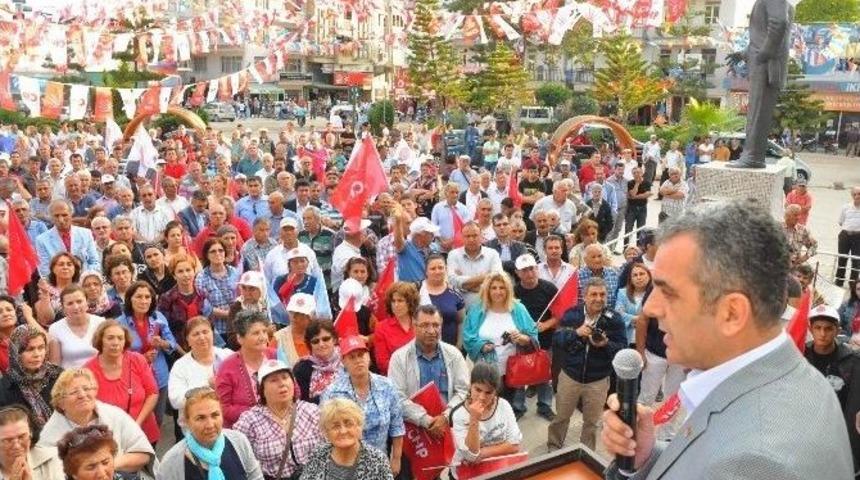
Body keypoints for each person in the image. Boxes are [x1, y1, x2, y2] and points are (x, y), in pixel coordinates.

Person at [602, 200, 853, 479]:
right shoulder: (796, 377)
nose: (650, 308)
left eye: (668, 292)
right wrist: (648, 458)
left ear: (732, 313)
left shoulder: (758, 465)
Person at [549, 277, 626, 451]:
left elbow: (622, 348)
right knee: (561, 417)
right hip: (570, 376)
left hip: (598, 380)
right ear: (584, 296)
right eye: (593, 294)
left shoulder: (614, 319)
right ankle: (553, 448)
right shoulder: (572, 314)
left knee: (592, 422)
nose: (598, 298)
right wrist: (576, 333)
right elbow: (557, 340)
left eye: (602, 294)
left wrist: (606, 344)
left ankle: (586, 453)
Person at [40, 369, 157, 479]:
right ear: (60, 403)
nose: (82, 395)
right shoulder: (49, 435)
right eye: (74, 392)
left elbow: (144, 454)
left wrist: (108, 465)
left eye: (86, 389)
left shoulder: (115, 415)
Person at [321, 336, 405, 475]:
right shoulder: (332, 392)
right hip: (345, 466)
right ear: (343, 362)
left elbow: (397, 426)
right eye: (352, 357)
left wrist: (396, 458)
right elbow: (325, 433)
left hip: (380, 463)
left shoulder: (386, 385)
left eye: (361, 355)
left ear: (369, 357)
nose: (358, 360)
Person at [462, 272, 539, 417]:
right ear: (487, 290)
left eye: (502, 288)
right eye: (494, 288)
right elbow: (467, 336)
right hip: (485, 372)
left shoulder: (518, 309)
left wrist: (523, 338)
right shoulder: (478, 309)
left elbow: (533, 335)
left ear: (508, 289)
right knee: (483, 407)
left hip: (511, 372)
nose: (498, 292)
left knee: (505, 408)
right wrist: (481, 346)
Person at [234, 360, 324, 480]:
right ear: (262, 390)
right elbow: (239, 461)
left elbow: (329, 450)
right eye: (274, 380)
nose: (282, 384)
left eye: (285, 378)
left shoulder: (312, 411)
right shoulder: (249, 420)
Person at [388, 305, 470, 436]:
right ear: (414, 326)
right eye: (425, 325)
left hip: (450, 428)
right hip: (414, 434)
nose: (431, 330)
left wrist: (446, 417)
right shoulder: (399, 358)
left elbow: (463, 391)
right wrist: (426, 420)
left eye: (436, 325)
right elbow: (397, 398)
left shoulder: (454, 355)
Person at [158, 386, 264, 480]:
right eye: (200, 418)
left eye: (215, 415)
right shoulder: (171, 462)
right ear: (187, 422)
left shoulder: (239, 442)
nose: (210, 425)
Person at [83, 320, 160, 445]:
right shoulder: (88, 370)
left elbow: (152, 393)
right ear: (100, 340)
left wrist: (137, 424)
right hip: (109, 438)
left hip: (143, 432)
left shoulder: (137, 360)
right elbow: (87, 408)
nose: (116, 343)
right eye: (110, 338)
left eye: (120, 338)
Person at [803, 304, 860, 472]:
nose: (822, 334)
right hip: (805, 430)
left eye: (828, 329)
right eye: (818, 328)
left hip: (839, 433)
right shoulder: (799, 356)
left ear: (837, 330)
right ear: (810, 329)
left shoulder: (852, 362)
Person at [116, 281, 177, 428]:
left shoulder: (158, 317)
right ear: (130, 299)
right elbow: (116, 354)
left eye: (147, 297)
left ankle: (153, 451)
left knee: (157, 421)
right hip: (132, 378)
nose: (143, 301)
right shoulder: (119, 323)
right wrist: (141, 359)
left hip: (159, 377)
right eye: (139, 297)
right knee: (136, 422)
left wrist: (162, 343)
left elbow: (172, 344)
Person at [450, 362, 522, 473]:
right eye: (478, 390)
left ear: (495, 392)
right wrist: (474, 419)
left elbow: (514, 445)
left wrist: (483, 453)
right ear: (470, 386)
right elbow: (471, 455)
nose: (482, 397)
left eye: (488, 392)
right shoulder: (459, 414)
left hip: (497, 468)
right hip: (467, 472)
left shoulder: (503, 405)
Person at [300, 398, 395, 480]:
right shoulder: (319, 454)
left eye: (348, 424)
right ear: (326, 432)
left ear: (359, 426)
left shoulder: (377, 460)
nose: (343, 431)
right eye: (335, 426)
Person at [512, 254, 558, 421]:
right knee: (518, 374)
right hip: (521, 339)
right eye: (524, 270)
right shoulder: (513, 292)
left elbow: (559, 314)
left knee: (545, 374)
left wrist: (546, 325)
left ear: (537, 269)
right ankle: (518, 407)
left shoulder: (549, 289)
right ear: (517, 273)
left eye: (531, 268)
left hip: (545, 338)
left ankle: (544, 406)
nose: (529, 273)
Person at [167, 316, 233, 431]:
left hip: (229, 425)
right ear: (187, 340)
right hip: (196, 430)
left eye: (205, 332)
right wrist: (206, 386)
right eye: (196, 334)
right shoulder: (180, 366)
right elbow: (175, 400)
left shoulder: (228, 356)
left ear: (213, 334)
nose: (202, 337)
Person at [216, 311, 277, 428]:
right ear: (240, 338)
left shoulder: (276, 356)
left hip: (279, 423)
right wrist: (259, 414)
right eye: (255, 333)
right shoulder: (227, 367)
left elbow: (295, 390)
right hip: (243, 430)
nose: (262, 337)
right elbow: (223, 407)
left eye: (264, 331)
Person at [0, 326, 63, 429]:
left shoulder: (58, 376)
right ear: (15, 351)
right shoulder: (5, 388)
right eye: (30, 349)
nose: (37, 354)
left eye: (41, 347)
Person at [35, 200, 100, 276]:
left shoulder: (86, 234)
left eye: (64, 215)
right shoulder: (42, 240)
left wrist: (81, 276)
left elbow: (95, 262)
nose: (61, 220)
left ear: (71, 214)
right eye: (56, 216)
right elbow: (44, 270)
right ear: (51, 217)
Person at [48, 285, 106, 369]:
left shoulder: (101, 323)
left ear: (87, 303)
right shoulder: (55, 328)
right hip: (69, 378)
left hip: (98, 376)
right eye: (70, 303)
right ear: (63, 307)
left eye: (79, 301)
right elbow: (55, 365)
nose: (76, 307)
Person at [196, 238, 241, 345]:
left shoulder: (235, 272)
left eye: (221, 250)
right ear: (207, 255)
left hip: (238, 328)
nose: (218, 254)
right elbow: (205, 307)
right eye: (213, 251)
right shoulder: (201, 278)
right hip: (217, 331)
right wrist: (231, 314)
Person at [0, 405, 64, 480]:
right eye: (8, 440)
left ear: (31, 434)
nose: (16, 446)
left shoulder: (54, 457)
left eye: (22, 437)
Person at [158, 254, 205, 352]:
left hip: (203, 345)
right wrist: (183, 353)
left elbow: (209, 323)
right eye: (180, 271)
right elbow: (165, 331)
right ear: (174, 275)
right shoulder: (166, 299)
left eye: (188, 270)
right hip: (178, 350)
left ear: (194, 271)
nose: (185, 275)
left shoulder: (202, 294)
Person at [419, 254, 465, 347]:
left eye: (441, 268)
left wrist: (459, 346)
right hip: (423, 349)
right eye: (433, 268)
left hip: (452, 349)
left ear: (446, 269)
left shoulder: (455, 293)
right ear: (426, 271)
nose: (437, 271)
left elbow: (462, 321)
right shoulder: (417, 291)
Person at [373, 282, 419, 376]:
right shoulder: (381, 327)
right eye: (393, 301)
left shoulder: (420, 324)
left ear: (410, 303)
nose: (396, 305)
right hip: (394, 378)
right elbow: (382, 363)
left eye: (400, 300)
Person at [292, 320, 341, 405]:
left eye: (326, 339)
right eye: (315, 341)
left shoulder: (347, 359)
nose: (321, 344)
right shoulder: (302, 369)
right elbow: (301, 403)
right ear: (309, 345)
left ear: (334, 339)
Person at [33, 252, 82, 326]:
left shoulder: (82, 288)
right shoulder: (45, 289)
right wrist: (45, 295)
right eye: (61, 264)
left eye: (69, 264)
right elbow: (45, 320)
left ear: (75, 269)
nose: (65, 267)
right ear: (53, 269)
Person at [615, 263, 651, 346]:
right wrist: (639, 319)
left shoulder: (654, 294)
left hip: (648, 340)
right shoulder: (622, 293)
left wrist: (630, 318)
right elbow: (618, 314)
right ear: (630, 279)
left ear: (649, 275)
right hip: (627, 339)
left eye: (641, 274)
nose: (638, 277)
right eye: (635, 275)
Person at [275, 293, 315, 366]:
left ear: (310, 317)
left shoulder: (320, 336)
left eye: (300, 314)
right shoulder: (278, 338)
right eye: (291, 312)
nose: (294, 317)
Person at [836, 187, 860, 286]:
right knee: (842, 259)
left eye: (859, 194)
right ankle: (839, 281)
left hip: (858, 237)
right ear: (852, 196)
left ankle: (853, 284)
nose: (857, 196)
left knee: (856, 261)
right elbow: (841, 222)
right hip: (845, 235)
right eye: (855, 194)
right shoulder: (845, 207)